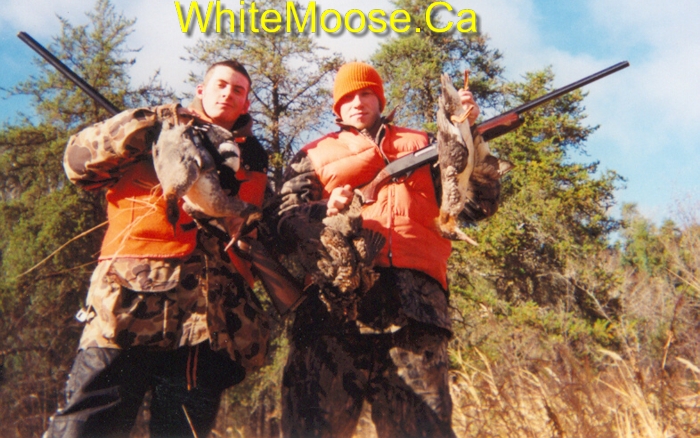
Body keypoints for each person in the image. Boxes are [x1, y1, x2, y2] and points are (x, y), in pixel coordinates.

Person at [45, 60, 270, 438]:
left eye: (238, 90)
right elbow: (77, 164)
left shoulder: (252, 156)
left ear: (246, 103)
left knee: (183, 430)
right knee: (89, 423)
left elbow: (255, 230)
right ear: (201, 90)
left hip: (207, 318)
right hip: (129, 301)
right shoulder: (157, 126)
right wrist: (145, 126)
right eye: (220, 85)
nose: (227, 94)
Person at [276, 62, 501, 438]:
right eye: (348, 96)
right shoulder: (314, 154)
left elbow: (479, 204)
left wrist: (469, 135)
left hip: (415, 309)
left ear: (379, 99)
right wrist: (325, 210)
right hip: (331, 311)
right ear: (336, 107)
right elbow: (282, 223)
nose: (357, 102)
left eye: (366, 93)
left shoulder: (426, 143)